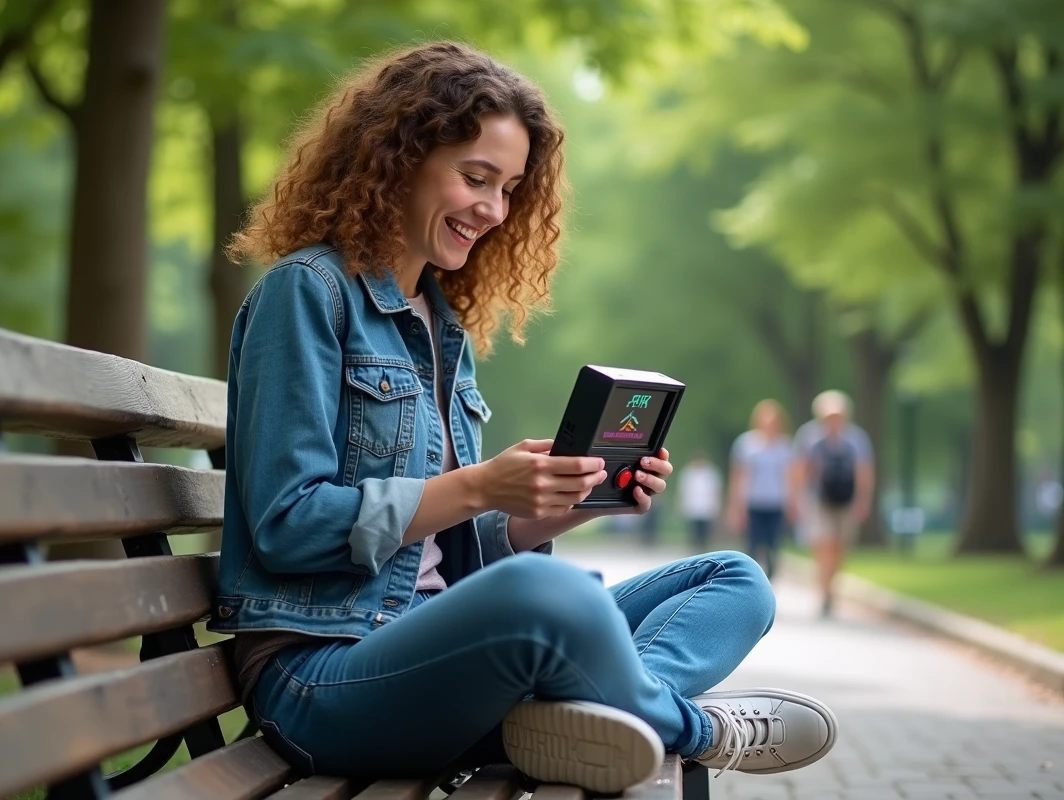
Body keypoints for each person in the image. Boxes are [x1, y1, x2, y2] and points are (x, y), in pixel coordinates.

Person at [209, 41, 838, 794]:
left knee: (734, 578)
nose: (494, 210)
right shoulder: (307, 293)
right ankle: (690, 727)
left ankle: (597, 714)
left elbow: (445, 556)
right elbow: (288, 524)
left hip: (437, 659)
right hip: (322, 675)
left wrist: (548, 508)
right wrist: (479, 486)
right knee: (558, 600)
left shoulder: (440, 325)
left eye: (509, 188)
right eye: (476, 178)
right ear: (398, 157)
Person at [792, 390, 875, 617]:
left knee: (840, 546)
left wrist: (863, 500)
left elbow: (863, 471)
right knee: (825, 544)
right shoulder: (809, 436)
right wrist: (796, 499)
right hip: (819, 500)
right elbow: (800, 469)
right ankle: (824, 593)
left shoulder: (856, 439)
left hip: (846, 501)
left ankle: (831, 587)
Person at [727, 400, 794, 579]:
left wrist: (792, 503)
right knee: (752, 546)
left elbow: (790, 478)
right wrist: (735, 506)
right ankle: (751, 581)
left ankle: (769, 580)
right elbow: (738, 477)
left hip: (776, 502)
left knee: (773, 546)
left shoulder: (785, 446)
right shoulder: (746, 444)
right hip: (753, 502)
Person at [677, 452, 722, 551]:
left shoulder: (711, 474)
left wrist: (716, 506)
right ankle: (694, 548)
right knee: (693, 531)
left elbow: (715, 491)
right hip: (693, 507)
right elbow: (684, 491)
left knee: (705, 531)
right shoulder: (688, 473)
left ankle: (704, 548)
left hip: (706, 507)